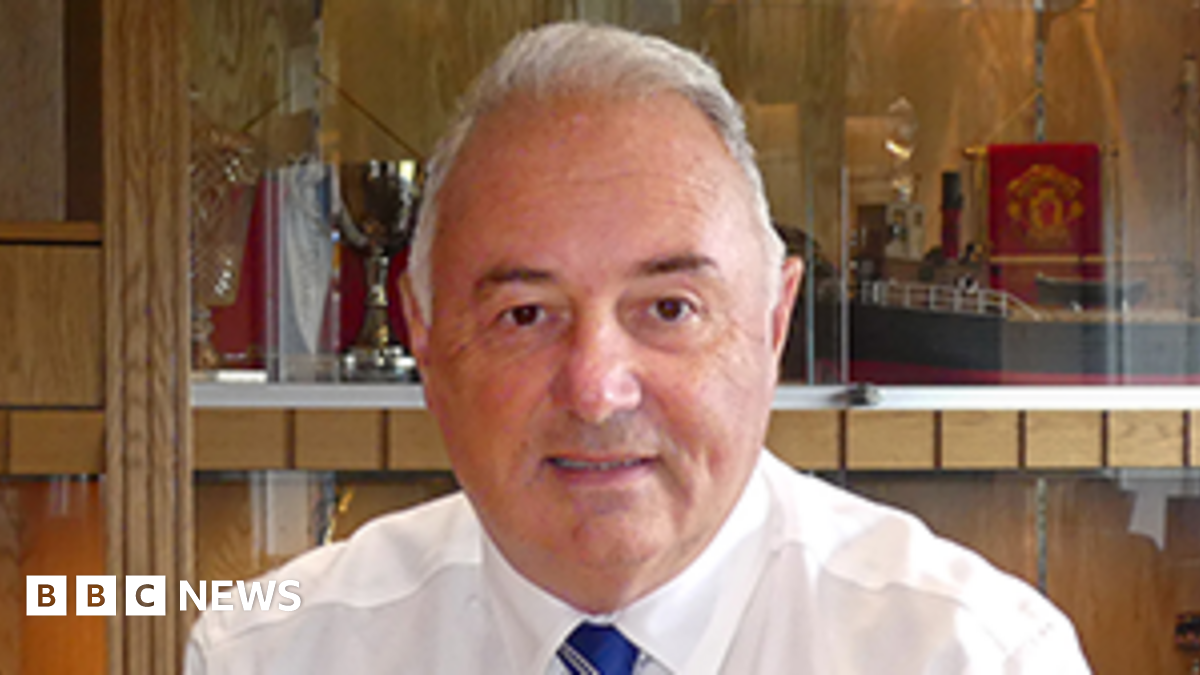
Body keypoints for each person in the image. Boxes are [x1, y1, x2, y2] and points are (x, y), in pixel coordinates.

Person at [186, 22, 1091, 674]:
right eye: (526, 314)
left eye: (669, 307)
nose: (597, 389)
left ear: (774, 323)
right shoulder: (274, 651)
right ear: (422, 334)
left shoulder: (976, 655)